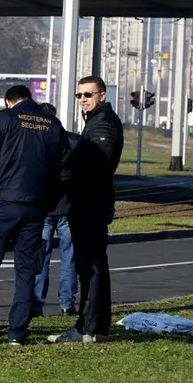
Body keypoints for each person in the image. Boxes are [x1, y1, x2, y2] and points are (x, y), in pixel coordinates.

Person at [0, 84, 70, 346]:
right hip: (34, 208)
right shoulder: (52, 125)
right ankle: (17, 332)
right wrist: (47, 201)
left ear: (9, 101)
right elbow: (65, 168)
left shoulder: (3, 120)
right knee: (26, 272)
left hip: (2, 205)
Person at [50, 76, 125, 344]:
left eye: (88, 95)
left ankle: (89, 328)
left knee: (90, 266)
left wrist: (70, 172)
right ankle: (95, 325)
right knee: (91, 265)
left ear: (102, 96)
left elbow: (99, 164)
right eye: (79, 95)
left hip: (90, 203)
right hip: (89, 202)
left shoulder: (104, 123)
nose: (83, 100)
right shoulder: (95, 121)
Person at [34, 102, 80, 318]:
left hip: (44, 208)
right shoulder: (74, 140)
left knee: (40, 258)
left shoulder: (37, 140)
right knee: (69, 258)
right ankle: (67, 303)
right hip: (69, 207)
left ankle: (36, 303)